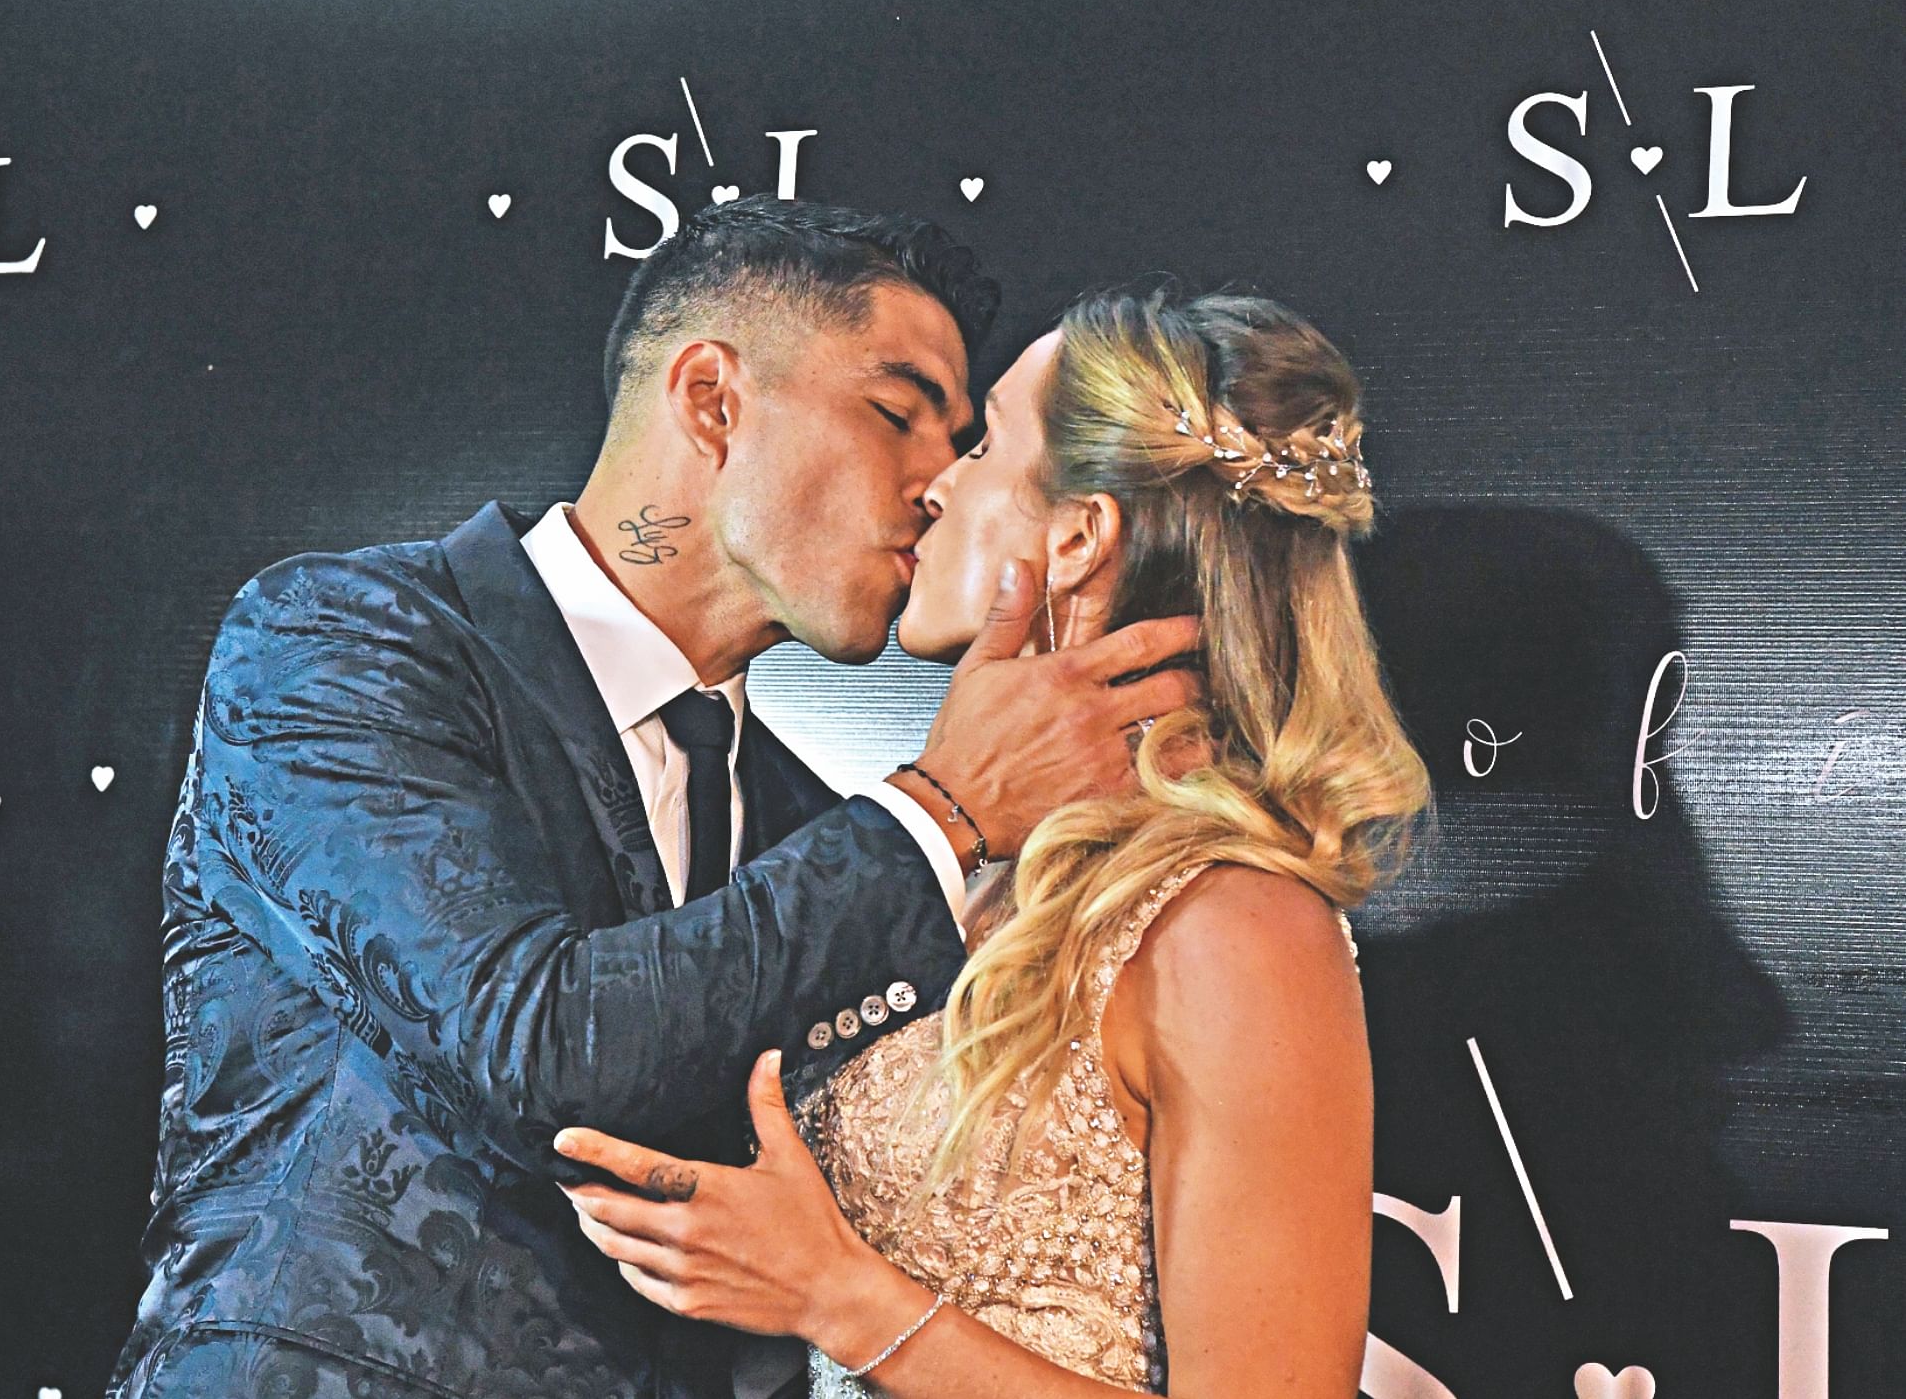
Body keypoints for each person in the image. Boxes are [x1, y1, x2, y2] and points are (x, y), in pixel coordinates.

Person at [102, 200, 1203, 1399]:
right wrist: (942, 807)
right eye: (898, 414)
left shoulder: (809, 825)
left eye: (962, 441)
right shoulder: (338, 643)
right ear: (712, 399)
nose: (938, 482)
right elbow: (538, 1053)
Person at [553, 286, 1435, 1397]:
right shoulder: (956, 871)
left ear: (1077, 536)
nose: (935, 483)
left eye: (981, 446)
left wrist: (837, 1295)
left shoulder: (1235, 924)